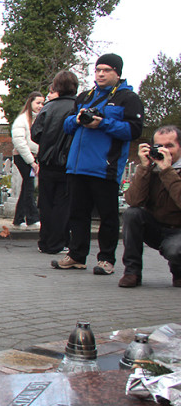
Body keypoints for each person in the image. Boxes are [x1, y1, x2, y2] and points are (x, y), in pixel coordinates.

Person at [53, 53, 143, 275]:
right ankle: (76, 255)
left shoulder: (128, 98)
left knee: (108, 216)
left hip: (105, 167)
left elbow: (133, 130)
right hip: (77, 166)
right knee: (77, 214)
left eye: (106, 70)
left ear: (117, 73)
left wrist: (103, 123)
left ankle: (106, 259)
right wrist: (76, 119)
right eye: (97, 70)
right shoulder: (85, 96)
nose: (100, 74)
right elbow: (67, 126)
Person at [117, 125, 181, 288]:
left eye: (170, 146)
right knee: (132, 214)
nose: (164, 151)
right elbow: (133, 200)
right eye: (160, 146)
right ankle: (132, 272)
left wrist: (167, 170)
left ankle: (179, 271)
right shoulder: (151, 168)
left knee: (175, 249)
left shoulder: (166, 169)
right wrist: (144, 168)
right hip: (156, 227)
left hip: (178, 231)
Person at [31, 71, 79, 254]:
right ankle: (58, 242)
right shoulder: (77, 107)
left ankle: (45, 241)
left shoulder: (47, 108)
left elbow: (36, 133)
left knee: (46, 203)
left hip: (47, 161)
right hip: (67, 162)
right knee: (63, 204)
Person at [11, 91, 44, 227]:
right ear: (30, 103)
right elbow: (20, 142)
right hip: (23, 156)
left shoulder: (38, 119)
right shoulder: (22, 119)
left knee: (27, 187)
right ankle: (32, 218)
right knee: (29, 186)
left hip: (33, 156)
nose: (40, 106)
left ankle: (19, 219)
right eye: (37, 103)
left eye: (42, 103)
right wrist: (31, 161)